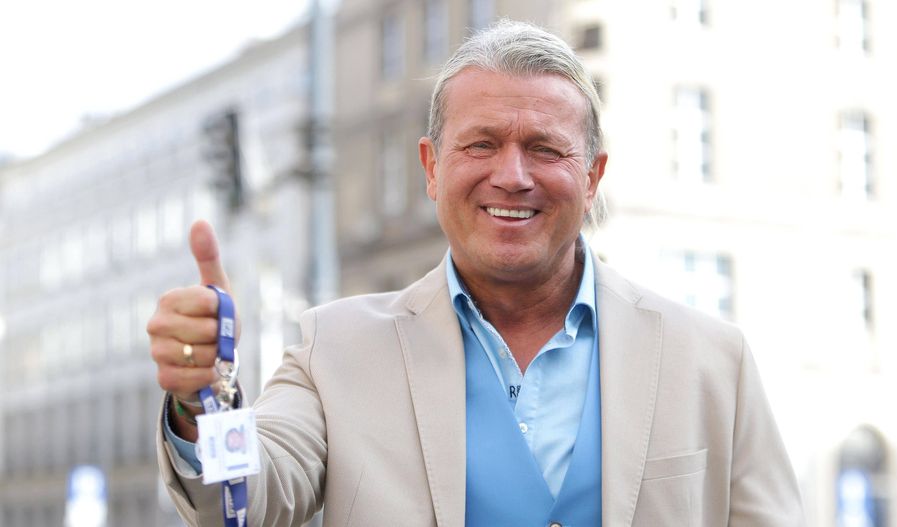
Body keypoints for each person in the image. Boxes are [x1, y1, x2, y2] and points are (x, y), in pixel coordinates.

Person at [149, 19, 805, 526]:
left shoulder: (713, 362)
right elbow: (245, 498)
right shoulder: (335, 351)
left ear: (592, 177)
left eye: (544, 148)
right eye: (481, 144)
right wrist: (204, 403)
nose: (512, 175)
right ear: (432, 168)